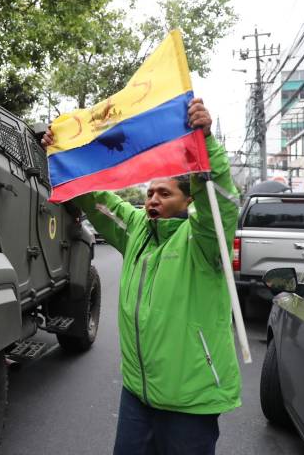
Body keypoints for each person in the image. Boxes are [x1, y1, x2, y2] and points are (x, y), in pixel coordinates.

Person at [42, 98, 241, 455]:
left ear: (188, 199)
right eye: (149, 193)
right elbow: (98, 200)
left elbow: (219, 204)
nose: (152, 200)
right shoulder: (136, 228)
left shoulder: (204, 240)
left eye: (164, 193)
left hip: (189, 402)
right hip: (137, 393)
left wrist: (206, 144)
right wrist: (64, 153)